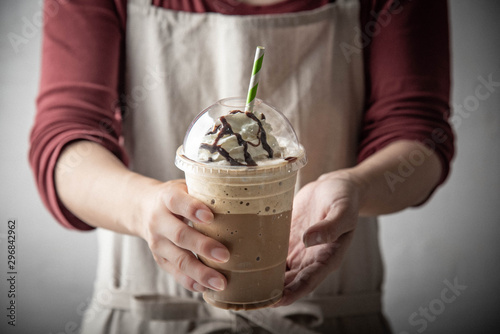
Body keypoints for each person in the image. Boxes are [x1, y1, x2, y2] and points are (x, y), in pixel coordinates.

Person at [29, 0, 454, 333]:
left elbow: (420, 134)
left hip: (330, 314)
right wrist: (142, 207)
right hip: (145, 316)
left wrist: (354, 185)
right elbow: (65, 141)